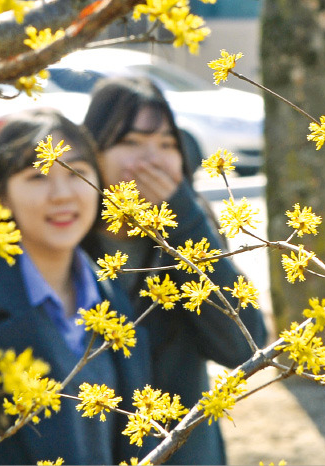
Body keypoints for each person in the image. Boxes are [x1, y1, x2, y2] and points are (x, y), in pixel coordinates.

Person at [0, 108, 156, 465]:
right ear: (1, 198)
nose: (61, 194)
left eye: (77, 173)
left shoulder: (114, 299)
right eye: (38, 176)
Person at [82, 76, 268, 465]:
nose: (151, 160)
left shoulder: (193, 227)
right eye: (130, 143)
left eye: (167, 144)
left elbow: (242, 346)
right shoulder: (67, 239)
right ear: (92, 153)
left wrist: (184, 221)